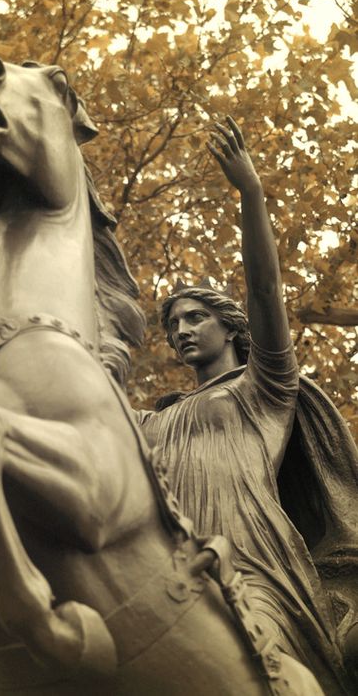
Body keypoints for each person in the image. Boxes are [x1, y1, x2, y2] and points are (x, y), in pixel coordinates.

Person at [137, 117, 357, 694]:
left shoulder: (265, 386)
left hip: (249, 561)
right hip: (159, 565)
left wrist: (251, 194)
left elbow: (264, 290)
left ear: (229, 326)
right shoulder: (153, 421)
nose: (181, 330)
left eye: (195, 317)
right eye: (173, 324)